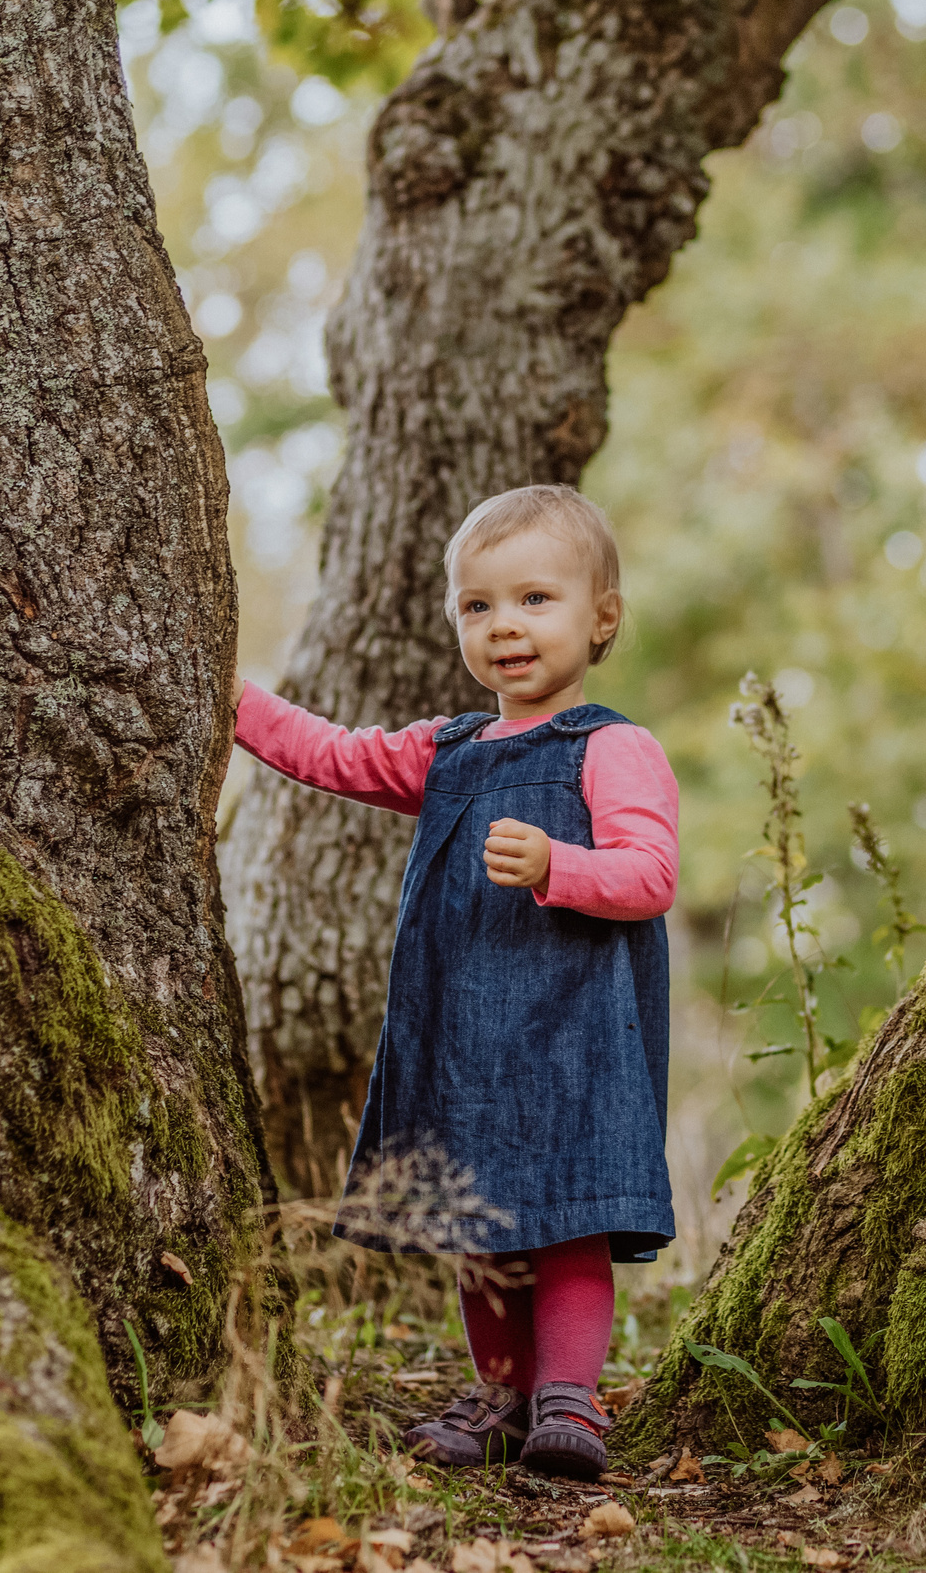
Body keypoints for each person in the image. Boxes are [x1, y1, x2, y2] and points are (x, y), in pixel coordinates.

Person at [234, 483, 678, 1480]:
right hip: (466, 1041)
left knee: (568, 1216)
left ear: (601, 617)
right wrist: (233, 697)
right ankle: (503, 1389)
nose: (504, 626)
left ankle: (568, 1395)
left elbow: (651, 875)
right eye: (478, 606)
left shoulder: (614, 747)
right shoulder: (448, 754)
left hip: (574, 1035)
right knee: (477, 1222)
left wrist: (559, 865)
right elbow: (335, 755)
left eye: (534, 599)